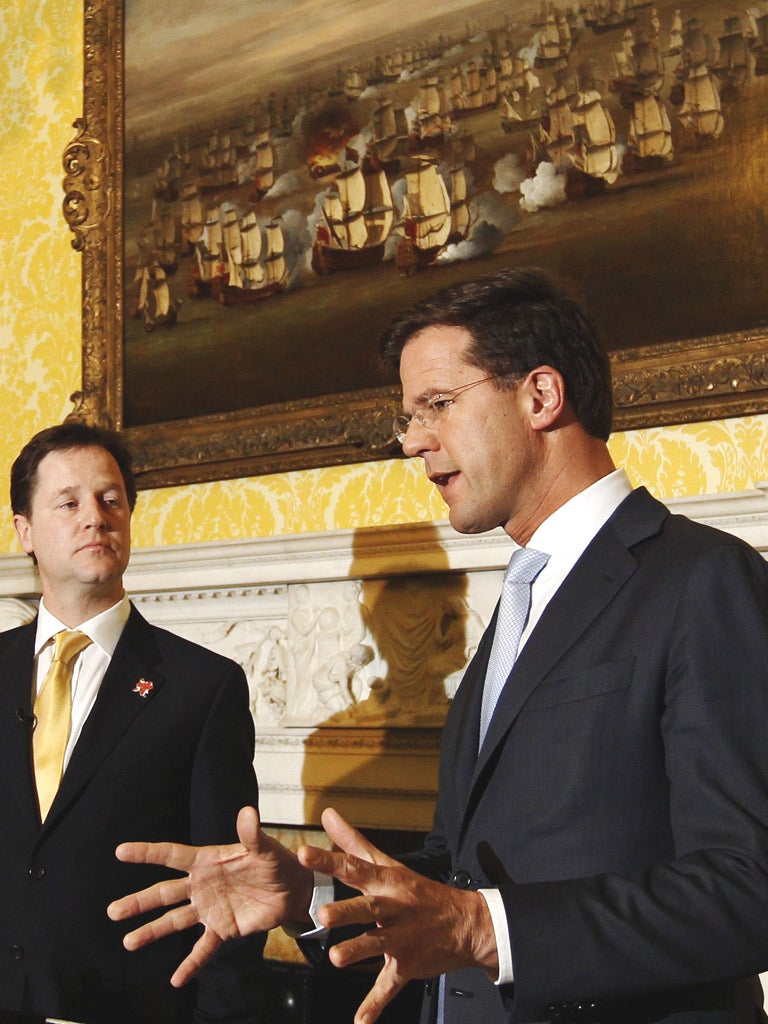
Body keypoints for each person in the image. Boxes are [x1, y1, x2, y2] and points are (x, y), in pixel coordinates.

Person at [107, 269, 768, 1024]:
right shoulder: (523, 602)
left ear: (540, 396)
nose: (412, 440)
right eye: (409, 415)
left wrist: (486, 929)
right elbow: (459, 872)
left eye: (438, 405)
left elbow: (750, 886)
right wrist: (311, 893)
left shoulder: (703, 580)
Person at [0, 421, 268, 1023]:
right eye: (68, 503)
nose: (95, 517)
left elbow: (232, 889)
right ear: (25, 532)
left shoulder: (202, 687)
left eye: (110, 500)